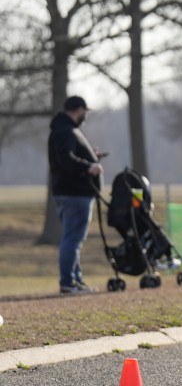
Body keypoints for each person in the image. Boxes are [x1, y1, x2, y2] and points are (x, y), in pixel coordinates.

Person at [48, 96, 103, 295]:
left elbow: (69, 156)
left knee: (73, 239)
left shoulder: (65, 129)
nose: (85, 115)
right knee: (73, 239)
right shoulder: (66, 131)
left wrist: (92, 157)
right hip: (74, 193)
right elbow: (66, 159)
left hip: (70, 192)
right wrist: (89, 167)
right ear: (79, 110)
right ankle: (68, 282)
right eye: (84, 111)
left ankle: (76, 280)